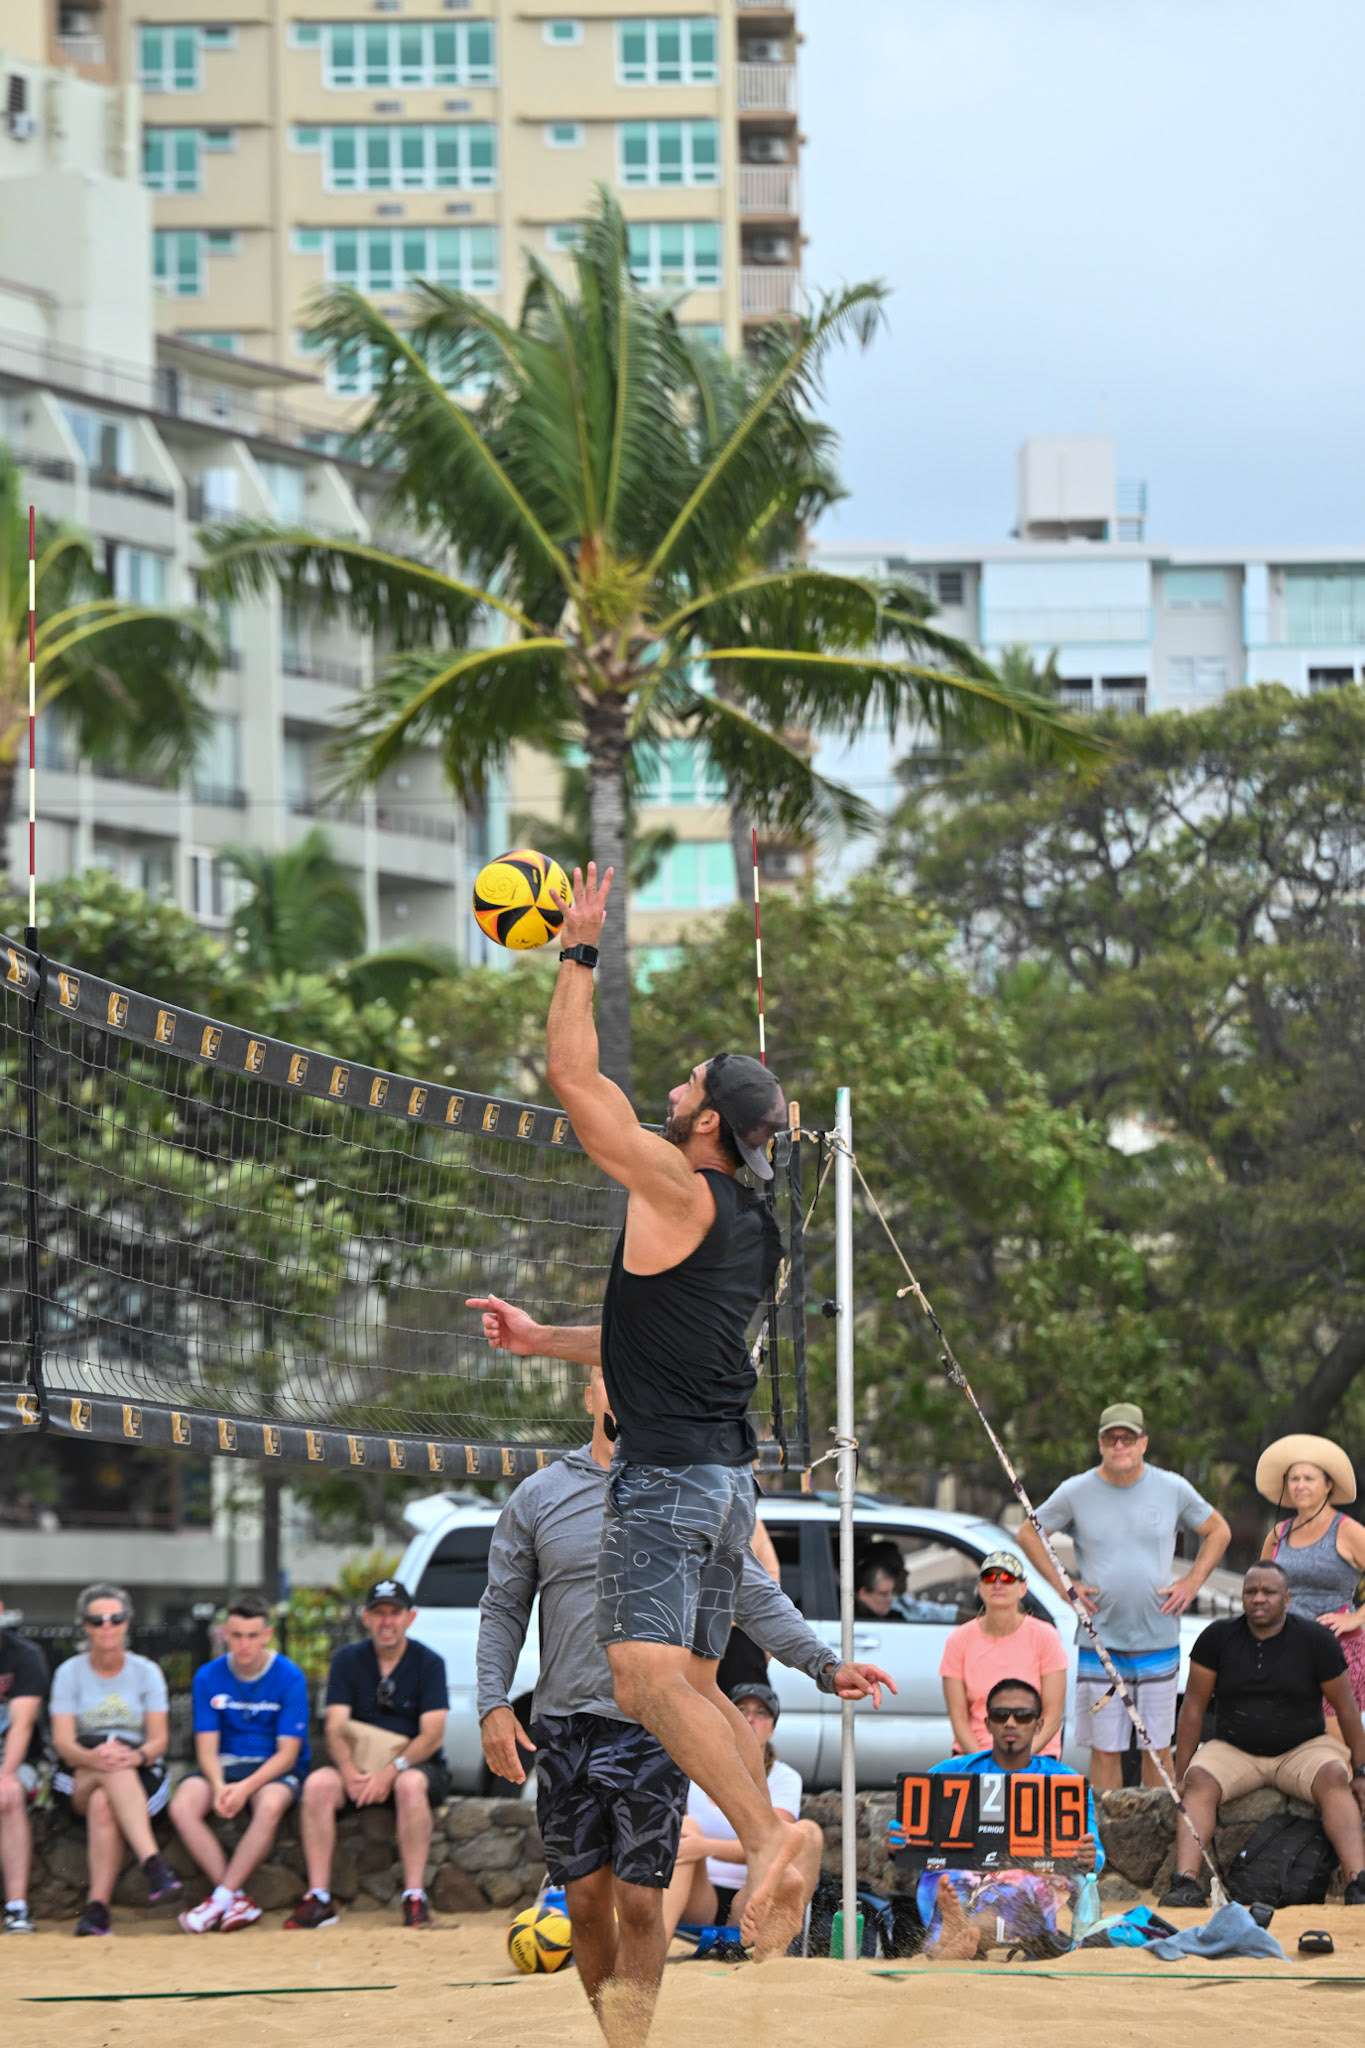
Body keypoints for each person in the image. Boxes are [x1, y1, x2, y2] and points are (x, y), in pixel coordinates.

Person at [471, 859, 806, 1949]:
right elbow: (651, 1339)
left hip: (665, 1479)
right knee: (698, 1685)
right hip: (724, 1483)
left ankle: (767, 1838)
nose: (671, 1085)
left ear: (710, 1122)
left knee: (641, 1676)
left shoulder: (677, 1181)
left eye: (689, 1080)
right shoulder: (751, 1224)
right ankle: (771, 1836)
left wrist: (577, 945)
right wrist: (543, 1338)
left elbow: (575, 1081)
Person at [478, 1365, 892, 2041]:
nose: (625, 1385)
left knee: (641, 1901)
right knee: (584, 1902)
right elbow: (501, 1607)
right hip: (562, 1723)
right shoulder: (540, 1495)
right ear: (590, 1396)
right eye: (609, 1376)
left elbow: (751, 1592)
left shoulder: (684, 1492)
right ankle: (614, 2027)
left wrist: (821, 1663)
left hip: (650, 1720)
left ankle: (628, 2038)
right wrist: (494, 1704)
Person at [1017, 1401, 1230, 1790]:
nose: (1119, 1445)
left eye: (1128, 1437)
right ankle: (1107, 1841)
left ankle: (1157, 1835)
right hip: (1100, 1644)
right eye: (1111, 1437)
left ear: (1143, 1443)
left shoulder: (1172, 1487)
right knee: (1104, 1749)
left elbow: (1218, 1531)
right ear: (1100, 1443)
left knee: (1157, 1747)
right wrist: (1065, 1585)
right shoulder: (1075, 1491)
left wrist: (1193, 1582)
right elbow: (1028, 1533)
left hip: (1158, 1640)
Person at [1162, 1559, 1365, 1907]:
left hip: (1303, 1747)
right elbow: (1192, 1708)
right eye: (1251, 1592)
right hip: (1233, 1748)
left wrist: (1360, 1772)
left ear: (1287, 1598)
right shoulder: (1217, 1638)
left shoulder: (1316, 1640)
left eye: (1268, 1592)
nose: (1258, 1598)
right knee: (1198, 1781)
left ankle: (1358, 1882)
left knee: (1335, 1776)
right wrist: (1180, 1773)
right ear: (1242, 1598)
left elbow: (1347, 1709)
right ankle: (1185, 1882)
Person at [287, 1578, 448, 1930]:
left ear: (410, 1617)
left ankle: (415, 1897)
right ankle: (319, 1898)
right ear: (365, 1617)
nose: (386, 1621)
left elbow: (432, 1735)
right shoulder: (347, 1660)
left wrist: (390, 1771)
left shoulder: (429, 1663)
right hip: (357, 1767)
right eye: (379, 1613)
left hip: (411, 1766)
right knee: (316, 1785)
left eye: (394, 1613)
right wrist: (346, 1770)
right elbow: (335, 1726)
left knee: (409, 1786)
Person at [914, 1678, 1103, 1960]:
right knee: (950, 1882)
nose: (1011, 1723)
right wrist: (901, 1841)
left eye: (1023, 1716)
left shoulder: (1065, 1782)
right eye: (1001, 1715)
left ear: (1038, 1725)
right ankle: (955, 1939)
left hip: (1033, 1876)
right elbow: (914, 1837)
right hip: (967, 1871)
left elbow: (1095, 1854)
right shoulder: (948, 1773)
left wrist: (1090, 1855)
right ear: (988, 1723)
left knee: (1019, 1886)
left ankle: (957, 1939)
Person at [170, 1591, 311, 1932]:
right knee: (182, 1805)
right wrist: (220, 1786)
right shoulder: (207, 1676)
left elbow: (288, 1754)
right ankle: (235, 1899)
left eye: (252, 1636)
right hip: (223, 1766)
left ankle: (220, 1899)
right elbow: (206, 1746)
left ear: (266, 1635)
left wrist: (245, 1788)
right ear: (225, 1635)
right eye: (236, 1636)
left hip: (272, 1769)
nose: (244, 1644)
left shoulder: (290, 1677)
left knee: (269, 1803)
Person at [49, 1582, 182, 1935]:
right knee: (108, 1771)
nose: (107, 1626)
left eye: (115, 1618)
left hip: (137, 1769)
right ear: (85, 1626)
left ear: (127, 1622)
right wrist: (94, 1757)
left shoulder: (147, 1672)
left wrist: (132, 1756)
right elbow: (63, 1742)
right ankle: (153, 1862)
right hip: (80, 1767)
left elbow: (158, 1740)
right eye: (97, 1620)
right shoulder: (69, 1673)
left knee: (104, 1802)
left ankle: (97, 1910)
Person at [662, 1680, 822, 1948]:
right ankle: (655, 1952)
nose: (749, 1718)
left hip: (749, 1891)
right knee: (686, 1826)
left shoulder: (784, 1778)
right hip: (700, 1894)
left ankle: (771, 1947)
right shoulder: (696, 1769)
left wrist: (706, 1847)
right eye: (741, 1710)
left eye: (761, 1713)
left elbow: (775, 1845)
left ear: (772, 1728)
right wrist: (698, 1847)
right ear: (725, 1719)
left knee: (807, 1833)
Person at [1256, 1433, 1365, 1718]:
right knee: (1285, 1739)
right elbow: (1259, 1588)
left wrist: (1356, 1617)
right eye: (1294, 1479)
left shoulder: (1347, 1530)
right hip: (1284, 1651)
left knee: (1333, 1747)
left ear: (1329, 1485)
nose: (1300, 1485)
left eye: (1309, 1478)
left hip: (1336, 1652)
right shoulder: (1278, 1534)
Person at [940, 1551, 1069, 1757]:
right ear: (980, 1588)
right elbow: (959, 1719)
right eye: (990, 1578)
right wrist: (984, 1764)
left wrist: (1020, 1759)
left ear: (1022, 1588)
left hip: (1034, 1754)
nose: (998, 1584)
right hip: (975, 1755)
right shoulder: (958, 1639)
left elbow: (1053, 1716)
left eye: (1007, 1578)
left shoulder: (1045, 1636)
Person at [0, 1593, 47, 1933]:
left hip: (17, 1760)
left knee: (9, 1797)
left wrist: (5, 1775)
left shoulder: (24, 1656)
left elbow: (22, 1724)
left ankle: (17, 1906)